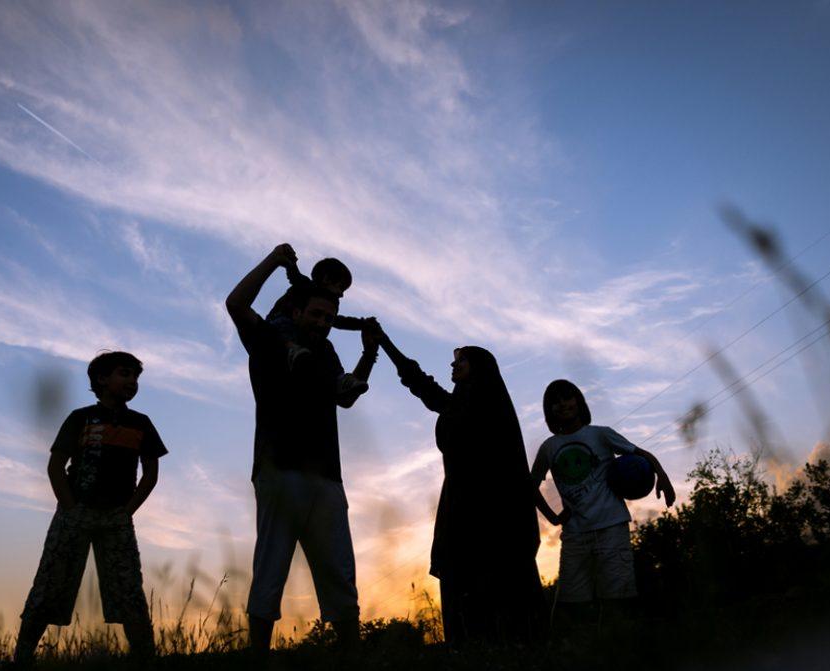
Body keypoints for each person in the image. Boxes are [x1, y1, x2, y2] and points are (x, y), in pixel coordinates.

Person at [226, 243, 378, 658]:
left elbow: (345, 396)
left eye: (330, 317)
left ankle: (350, 658)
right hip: (279, 468)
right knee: (271, 569)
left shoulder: (325, 353)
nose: (325, 322)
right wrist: (275, 260)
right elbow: (236, 302)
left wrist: (368, 354)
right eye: (317, 314)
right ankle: (258, 658)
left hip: (326, 476)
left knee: (339, 574)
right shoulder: (270, 339)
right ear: (297, 311)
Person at [367, 322, 545, 648]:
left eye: (459, 360)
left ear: (477, 367)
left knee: (497, 598)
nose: (453, 364)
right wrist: (385, 344)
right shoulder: (454, 405)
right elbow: (417, 380)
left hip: (493, 515)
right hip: (459, 509)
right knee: (464, 601)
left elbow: (515, 474)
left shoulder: (492, 410)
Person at [14, 351, 168, 665]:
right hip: (76, 514)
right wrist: (70, 508)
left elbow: (151, 473)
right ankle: (20, 658)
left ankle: (146, 659)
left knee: (129, 591)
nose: (132, 382)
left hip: (116, 518)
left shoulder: (141, 423)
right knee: (51, 584)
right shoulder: (80, 417)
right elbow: (56, 466)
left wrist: (127, 512)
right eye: (124, 374)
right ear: (101, 379)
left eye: (135, 377)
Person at [531, 379, 675, 628]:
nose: (563, 404)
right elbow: (529, 486)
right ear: (549, 410)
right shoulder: (549, 447)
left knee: (617, 600)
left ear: (578, 400)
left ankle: (617, 651)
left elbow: (641, 454)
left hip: (611, 528)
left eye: (567, 397)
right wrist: (553, 518)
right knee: (569, 606)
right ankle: (566, 652)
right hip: (575, 535)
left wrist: (662, 476)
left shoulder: (600, 434)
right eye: (555, 401)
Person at [268, 257, 371, 396]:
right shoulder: (305, 286)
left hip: (300, 336)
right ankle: (291, 349)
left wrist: (361, 324)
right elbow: (294, 276)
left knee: (327, 348)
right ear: (327, 279)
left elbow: (337, 321)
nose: (341, 294)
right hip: (278, 323)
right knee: (282, 328)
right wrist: (290, 263)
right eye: (340, 287)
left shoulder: (329, 304)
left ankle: (340, 380)